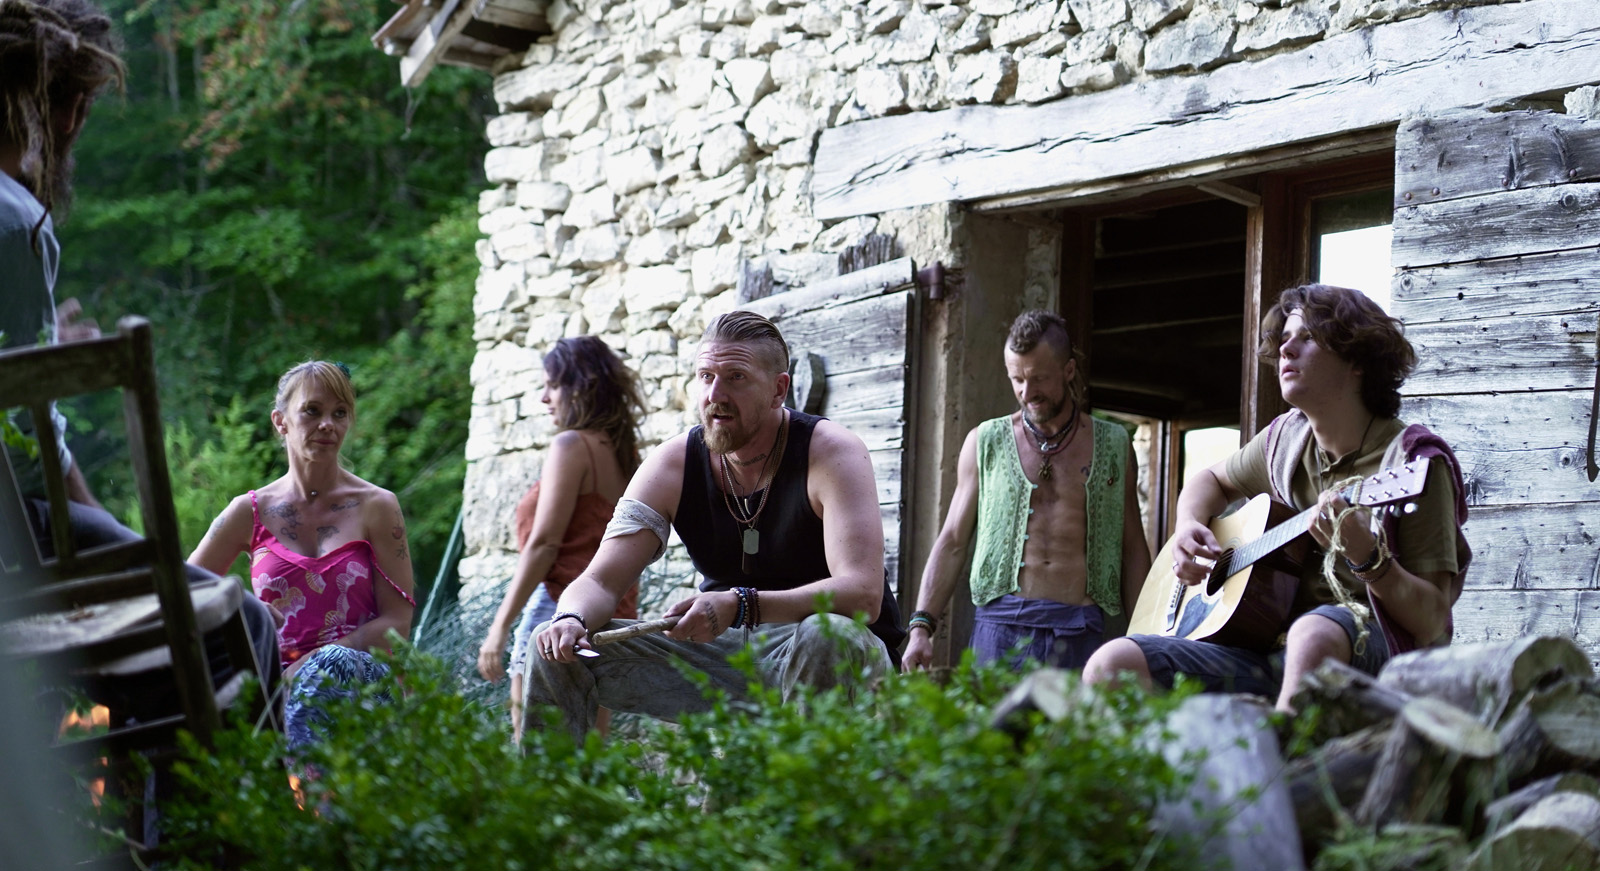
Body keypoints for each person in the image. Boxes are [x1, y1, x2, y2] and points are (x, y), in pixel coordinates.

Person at [1, 0, 279, 688]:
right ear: (64, 110)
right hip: (16, 536)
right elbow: (27, 438)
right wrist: (101, 533)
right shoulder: (16, 221)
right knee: (247, 625)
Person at [1083, 284, 1470, 712]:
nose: (1286, 349)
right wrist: (1189, 525)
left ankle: (1283, 749)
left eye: (1307, 337)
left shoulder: (1414, 463)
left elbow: (1432, 622)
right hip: (1263, 647)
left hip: (1366, 648)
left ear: (1357, 361)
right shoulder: (1287, 438)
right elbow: (1210, 480)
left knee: (1313, 632)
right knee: (1111, 663)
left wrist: (1370, 560)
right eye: (1284, 338)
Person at [523, 310, 905, 738]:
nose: (715, 394)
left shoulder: (831, 452)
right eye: (706, 377)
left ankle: (801, 781)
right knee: (550, 644)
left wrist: (742, 605)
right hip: (725, 658)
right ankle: (554, 783)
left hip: (837, 658)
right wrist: (571, 618)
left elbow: (863, 594)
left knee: (826, 632)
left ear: (779, 389)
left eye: (736, 378)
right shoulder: (673, 463)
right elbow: (600, 581)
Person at [904, 310, 1150, 672]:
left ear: (1068, 370)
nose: (1027, 392)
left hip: (1079, 630)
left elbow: (1132, 548)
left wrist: (1146, 639)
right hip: (999, 629)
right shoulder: (985, 441)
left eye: (1039, 379)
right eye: (1017, 379)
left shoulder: (1114, 445)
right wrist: (921, 627)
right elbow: (953, 539)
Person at [189, 361, 416, 747]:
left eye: (339, 413)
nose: (327, 424)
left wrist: (311, 665)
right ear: (281, 421)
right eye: (312, 411)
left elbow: (397, 624)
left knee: (332, 666)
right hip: (274, 684)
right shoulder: (250, 512)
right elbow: (186, 588)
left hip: (364, 684)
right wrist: (243, 609)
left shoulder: (377, 506)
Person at [476, 336, 645, 740]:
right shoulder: (623, 455)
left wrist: (499, 628)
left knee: (535, 753)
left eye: (552, 386)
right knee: (588, 755)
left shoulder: (572, 446)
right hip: (611, 614)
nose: (543, 398)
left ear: (580, 387)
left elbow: (544, 544)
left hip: (557, 610)